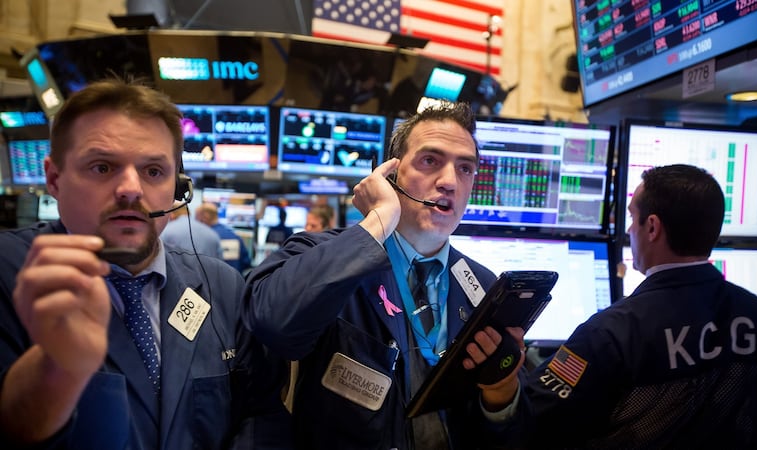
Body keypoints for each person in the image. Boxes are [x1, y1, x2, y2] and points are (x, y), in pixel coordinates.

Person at [0, 78, 291, 450]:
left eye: (153, 171)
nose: (131, 188)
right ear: (54, 178)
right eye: (103, 167)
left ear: (177, 188)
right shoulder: (10, 273)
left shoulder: (221, 285)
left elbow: (261, 413)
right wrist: (57, 368)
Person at [242, 102, 524, 449]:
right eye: (430, 161)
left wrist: (501, 393)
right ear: (390, 177)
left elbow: (506, 432)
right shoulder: (325, 255)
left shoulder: (482, 284)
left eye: (465, 168)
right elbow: (273, 323)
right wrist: (378, 220)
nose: (450, 181)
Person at [476, 164, 757, 448]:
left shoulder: (609, 334)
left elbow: (530, 427)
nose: (630, 230)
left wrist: (501, 381)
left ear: (653, 227)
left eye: (633, 217)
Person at [195, 202, 252, 273]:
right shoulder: (235, 237)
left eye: (197, 218)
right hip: (235, 282)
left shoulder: (204, 238)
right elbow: (246, 263)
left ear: (205, 217)